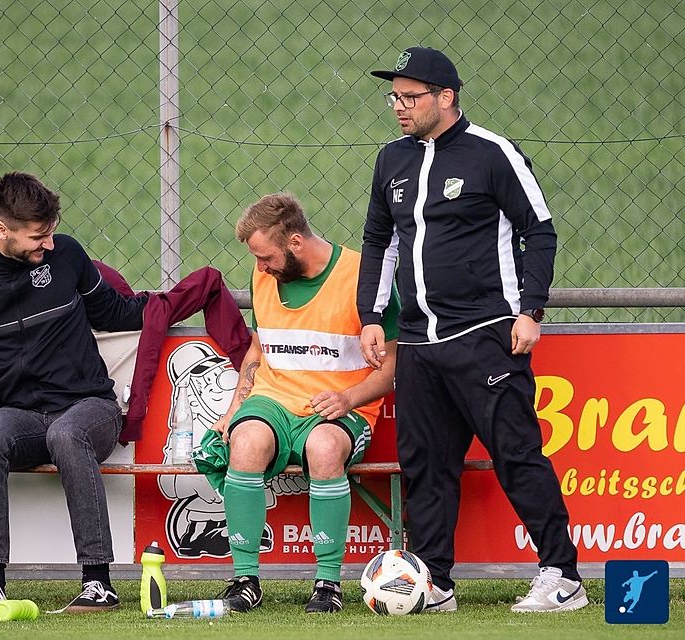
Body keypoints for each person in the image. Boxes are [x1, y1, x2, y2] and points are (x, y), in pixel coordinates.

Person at [357, 46, 587, 613]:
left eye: (411, 97)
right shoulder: (391, 161)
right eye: (395, 97)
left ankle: (562, 576)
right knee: (426, 465)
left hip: (486, 334)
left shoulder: (493, 154)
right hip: (415, 342)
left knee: (516, 453)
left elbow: (541, 231)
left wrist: (531, 311)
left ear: (447, 97)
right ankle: (435, 583)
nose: (400, 107)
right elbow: (378, 242)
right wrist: (370, 316)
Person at [0, 172, 146, 615]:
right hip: (22, 415)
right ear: (2, 229)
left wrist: (174, 304)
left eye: (51, 233)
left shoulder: (67, 253)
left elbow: (114, 311)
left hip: (89, 406)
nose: (48, 245)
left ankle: (98, 581)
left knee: (67, 434)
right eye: (38, 237)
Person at [210, 193, 400, 613]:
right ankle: (245, 580)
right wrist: (234, 407)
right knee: (245, 442)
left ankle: (328, 583)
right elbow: (258, 350)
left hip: (340, 407)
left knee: (324, 447)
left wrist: (347, 398)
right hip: (274, 400)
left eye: (266, 257)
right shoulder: (265, 276)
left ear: (295, 243)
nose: (260, 267)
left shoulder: (361, 276)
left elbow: (391, 370)